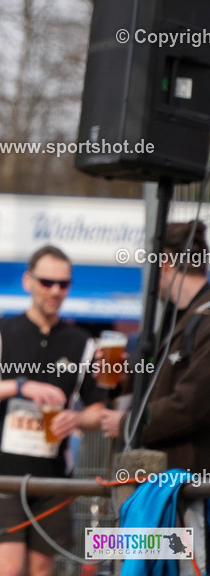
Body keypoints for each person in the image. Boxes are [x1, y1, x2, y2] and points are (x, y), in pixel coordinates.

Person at [0, 244, 104, 576]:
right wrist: (18, 386)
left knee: (41, 570)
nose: (54, 291)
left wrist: (77, 418)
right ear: (27, 281)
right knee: (8, 569)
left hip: (53, 480)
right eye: (46, 282)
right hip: (2, 476)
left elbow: (99, 411)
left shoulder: (83, 344)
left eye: (63, 284)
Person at [100, 221, 210, 574]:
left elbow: (191, 404)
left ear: (165, 261)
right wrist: (118, 380)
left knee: (176, 567)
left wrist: (129, 422)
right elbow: (157, 387)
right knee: (121, 559)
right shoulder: (177, 320)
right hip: (151, 493)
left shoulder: (205, 318)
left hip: (182, 492)